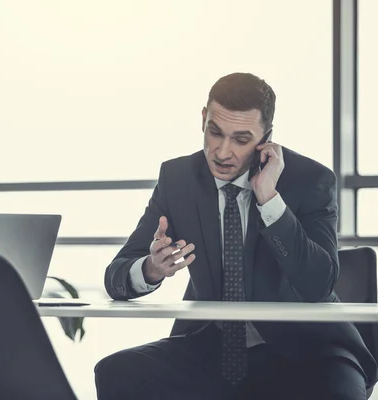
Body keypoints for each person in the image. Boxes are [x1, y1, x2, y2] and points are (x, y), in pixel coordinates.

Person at [95, 72, 378, 400]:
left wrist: (270, 200)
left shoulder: (310, 179)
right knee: (116, 371)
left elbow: (318, 283)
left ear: (266, 138)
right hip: (213, 347)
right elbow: (116, 276)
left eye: (241, 139)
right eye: (215, 132)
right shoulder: (178, 179)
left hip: (310, 350)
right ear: (203, 118)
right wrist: (150, 269)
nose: (222, 152)